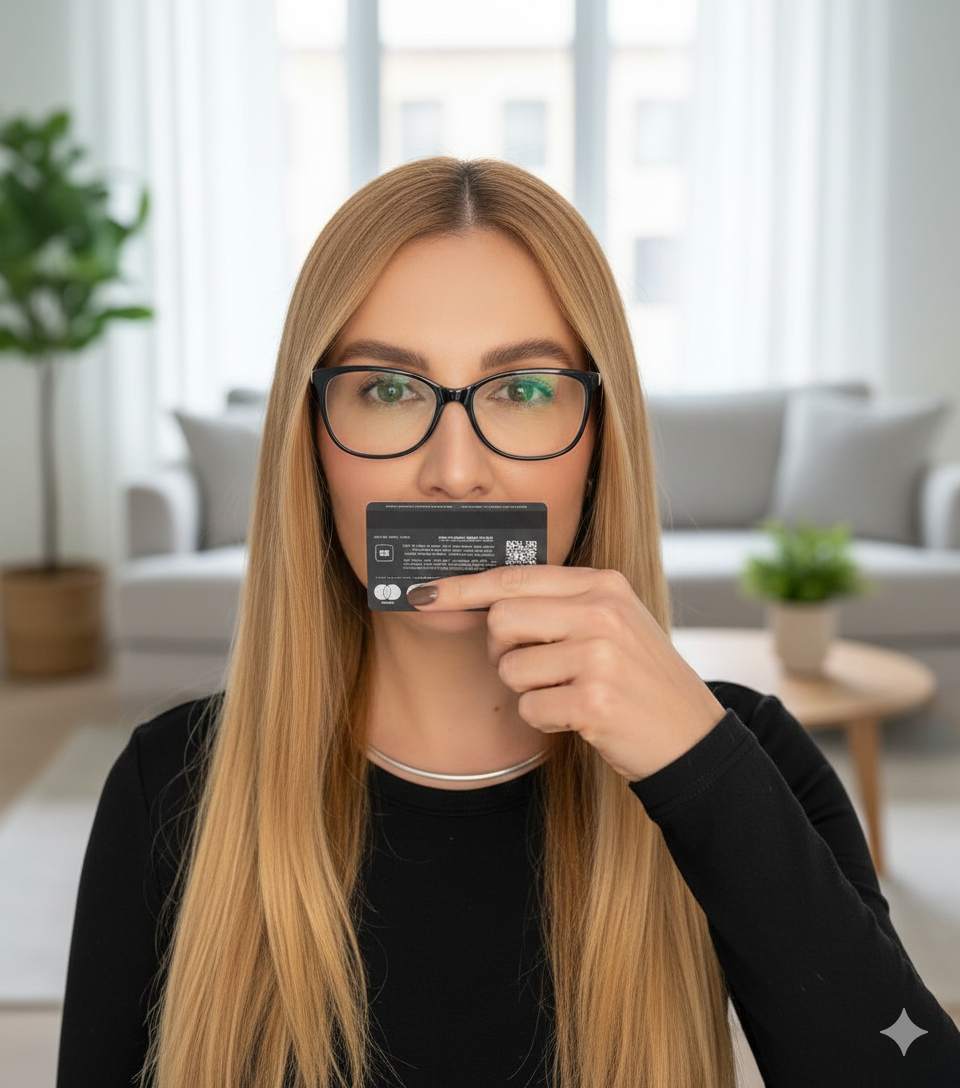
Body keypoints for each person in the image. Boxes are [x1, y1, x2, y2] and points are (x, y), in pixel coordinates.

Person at [56, 157, 960, 1088]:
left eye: (524, 391)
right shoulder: (170, 788)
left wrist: (699, 770)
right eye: (388, 390)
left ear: (598, 440)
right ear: (312, 441)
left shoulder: (741, 756)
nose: (455, 473)